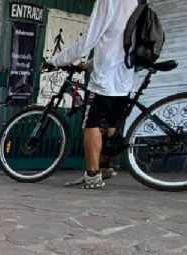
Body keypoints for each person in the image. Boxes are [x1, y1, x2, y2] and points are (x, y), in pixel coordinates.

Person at [48, 0, 137, 189]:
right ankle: (106, 166)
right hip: (125, 78)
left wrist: (54, 61)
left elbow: (87, 41)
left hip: (106, 80)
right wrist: (88, 64)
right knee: (111, 124)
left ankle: (92, 175)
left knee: (91, 124)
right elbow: (117, 42)